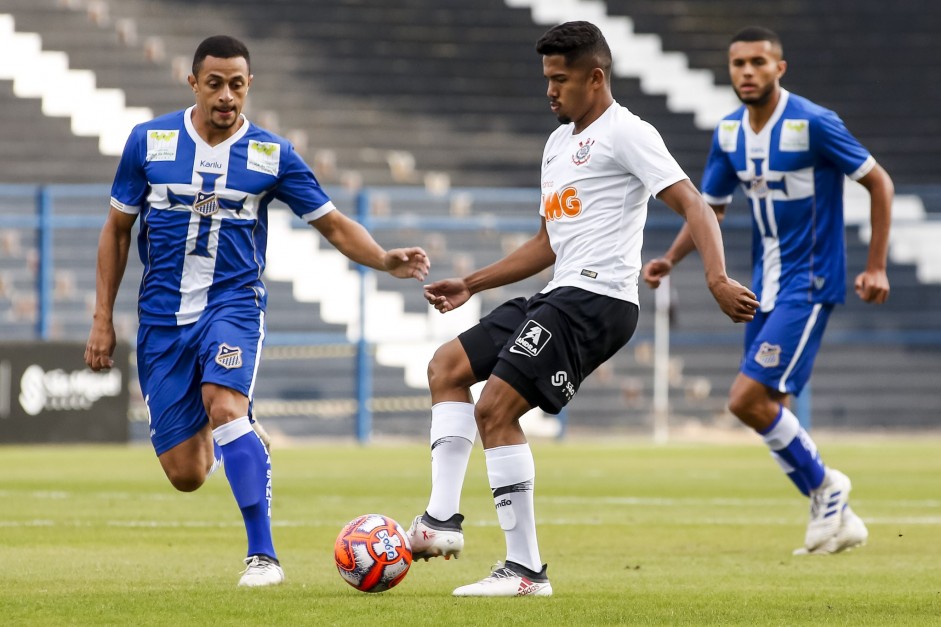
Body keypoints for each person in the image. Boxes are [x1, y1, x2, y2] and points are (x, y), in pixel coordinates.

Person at [405, 21, 758, 597]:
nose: (550, 90)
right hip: (561, 292)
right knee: (446, 366)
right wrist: (472, 282)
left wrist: (716, 278)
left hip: (599, 300)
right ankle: (440, 521)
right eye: (547, 78)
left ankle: (524, 572)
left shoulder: (628, 133)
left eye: (560, 79)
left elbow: (693, 202)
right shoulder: (556, 143)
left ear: (595, 78)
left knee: (495, 411)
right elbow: (548, 243)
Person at [84, 35, 430, 587]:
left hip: (233, 306)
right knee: (188, 474)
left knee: (224, 407)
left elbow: (334, 224)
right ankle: (246, 437)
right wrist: (103, 317)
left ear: (249, 87)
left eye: (237, 85)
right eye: (215, 83)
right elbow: (117, 230)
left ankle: (262, 557)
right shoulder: (148, 142)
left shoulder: (272, 154)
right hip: (161, 320)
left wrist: (385, 259)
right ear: (193, 82)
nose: (226, 96)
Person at [642, 26, 893, 556]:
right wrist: (670, 257)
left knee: (745, 399)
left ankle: (829, 488)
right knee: (770, 404)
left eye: (759, 62)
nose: (748, 72)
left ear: (780, 68)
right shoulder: (730, 132)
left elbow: (879, 183)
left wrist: (876, 266)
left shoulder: (815, 123)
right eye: (738, 64)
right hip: (765, 286)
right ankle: (837, 515)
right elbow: (708, 209)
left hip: (810, 282)